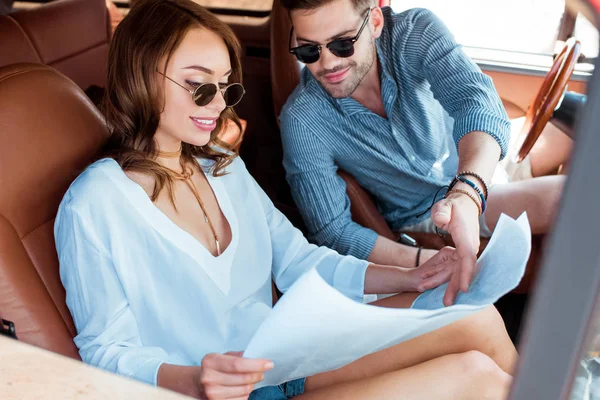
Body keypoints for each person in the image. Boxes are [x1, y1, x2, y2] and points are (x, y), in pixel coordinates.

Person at [55, 0, 517, 399]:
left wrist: (408, 276)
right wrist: (195, 380)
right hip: (231, 392)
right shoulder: (95, 202)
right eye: (199, 85)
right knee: (478, 378)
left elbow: (299, 261)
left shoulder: (221, 164)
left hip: (288, 358)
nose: (217, 105)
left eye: (225, 87)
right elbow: (104, 349)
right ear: (141, 77)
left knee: (477, 317)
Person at [279, 0, 567, 306]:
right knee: (574, 197)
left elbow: (475, 102)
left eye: (343, 43)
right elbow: (334, 231)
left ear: (375, 23)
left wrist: (468, 190)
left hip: (473, 165)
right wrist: (422, 260)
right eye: (308, 50)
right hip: (428, 209)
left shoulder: (414, 32)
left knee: (584, 133)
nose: (326, 64)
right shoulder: (302, 120)